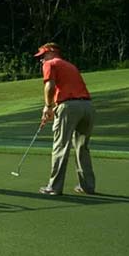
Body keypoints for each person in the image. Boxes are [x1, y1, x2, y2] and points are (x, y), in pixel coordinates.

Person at [34, 42, 96, 196]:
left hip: (69, 107)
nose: (41, 60)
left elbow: (50, 87)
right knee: (82, 148)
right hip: (87, 107)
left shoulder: (50, 64)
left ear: (52, 52)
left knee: (61, 146)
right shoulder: (70, 65)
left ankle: (54, 187)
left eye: (43, 56)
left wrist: (48, 107)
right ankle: (87, 186)